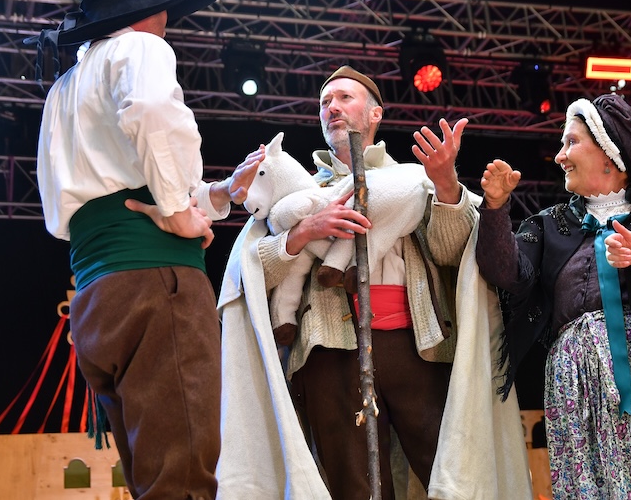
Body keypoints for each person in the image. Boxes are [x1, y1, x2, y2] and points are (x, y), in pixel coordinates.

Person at [223, 65, 530, 500]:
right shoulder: (296, 194)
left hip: (416, 346)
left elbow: (451, 251)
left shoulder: (413, 180)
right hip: (329, 351)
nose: (332, 107)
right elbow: (256, 274)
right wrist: (304, 231)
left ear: (375, 114)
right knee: (355, 487)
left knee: (452, 473)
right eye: (325, 102)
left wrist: (446, 185)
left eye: (344, 98)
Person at [34, 0, 243, 499]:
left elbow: (92, 196)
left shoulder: (63, 89)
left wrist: (212, 196)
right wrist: (175, 211)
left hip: (97, 297)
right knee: (182, 483)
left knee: (154, 482)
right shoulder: (141, 47)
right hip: (155, 283)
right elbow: (150, 112)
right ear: (152, 7)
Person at [475, 93, 631, 499]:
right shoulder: (552, 224)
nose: (560, 156)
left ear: (610, 153)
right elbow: (506, 273)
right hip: (582, 383)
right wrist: (496, 207)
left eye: (571, 142)